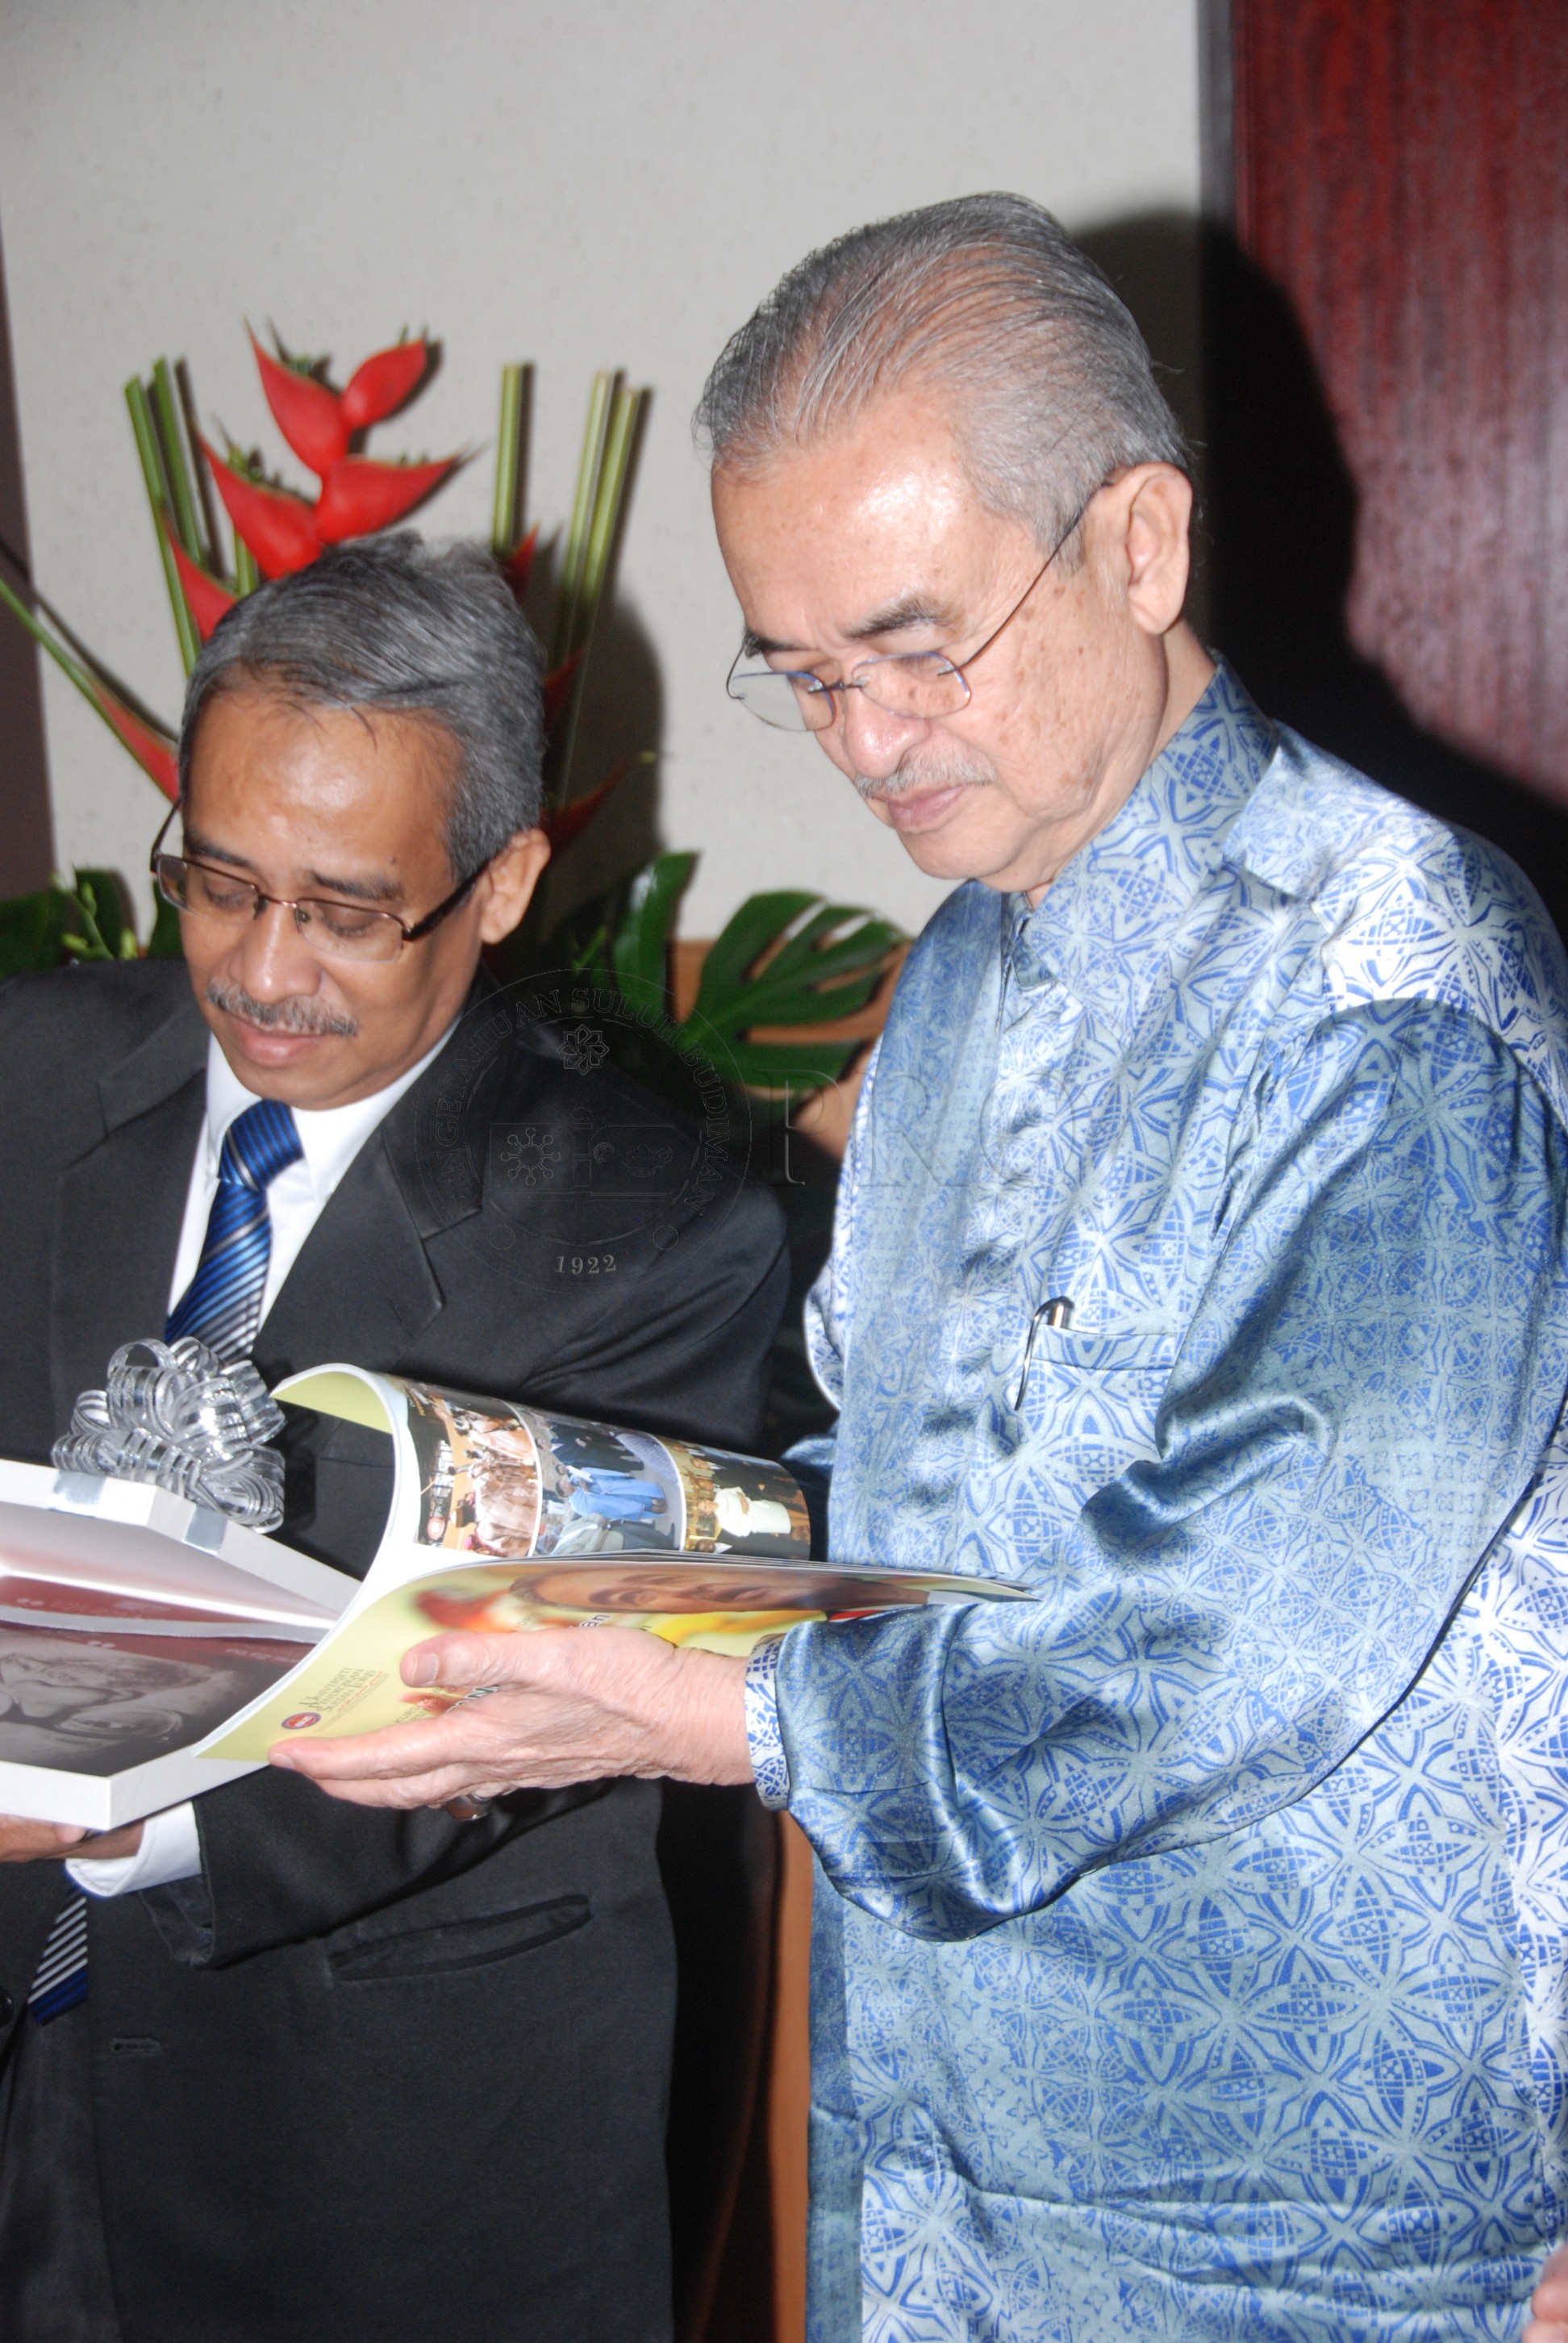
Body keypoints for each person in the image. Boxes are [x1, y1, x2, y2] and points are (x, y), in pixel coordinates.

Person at [280, 198, 1568, 2337]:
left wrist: (723, 1716)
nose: (868, 738)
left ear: (1138, 547)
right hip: (961, 2169)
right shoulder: (969, 970)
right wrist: (521, 1576)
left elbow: (1233, 1641)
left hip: (1313, 2228)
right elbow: (915, 1496)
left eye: (917, 645)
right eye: (806, 675)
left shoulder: (1390, 988)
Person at [0, 537, 788, 2343]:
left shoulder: (653, 1229)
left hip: (388, 2147)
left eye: (349, 910)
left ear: (502, 883)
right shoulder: (25, 1074)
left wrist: (89, 1812)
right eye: (218, 880)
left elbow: (527, 1702)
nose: (264, 971)